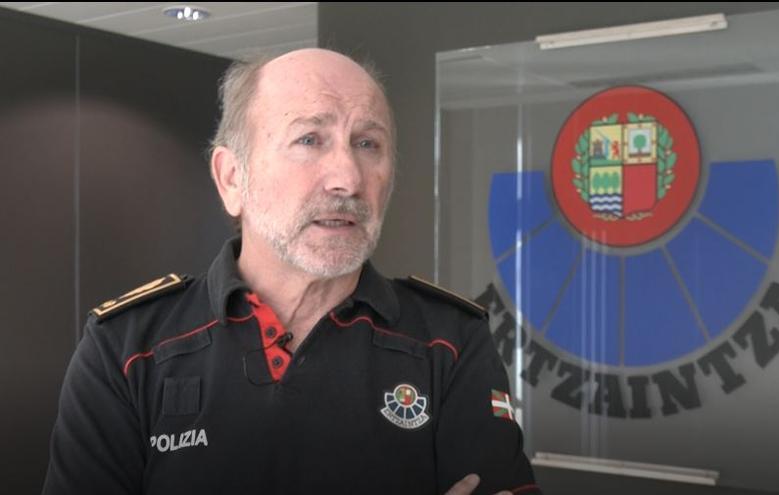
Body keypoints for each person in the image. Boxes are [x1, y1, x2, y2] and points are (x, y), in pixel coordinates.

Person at [42, 48, 539, 495]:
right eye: (309, 139)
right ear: (232, 178)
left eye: (368, 144)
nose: (347, 178)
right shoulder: (126, 349)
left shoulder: (451, 343)